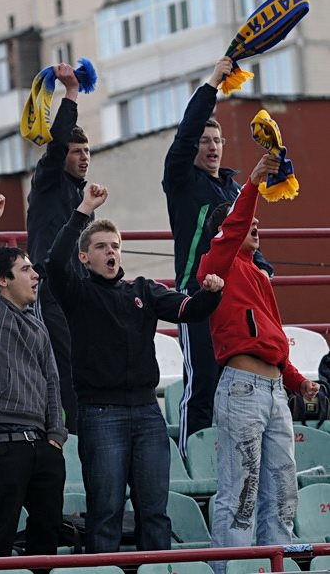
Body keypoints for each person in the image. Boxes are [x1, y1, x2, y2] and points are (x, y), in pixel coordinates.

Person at [46, 182, 224, 554]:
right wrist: (83, 210)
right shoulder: (77, 292)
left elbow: (190, 310)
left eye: (115, 246)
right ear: (84, 258)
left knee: (155, 512)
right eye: (100, 247)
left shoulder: (144, 289)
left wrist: (211, 292)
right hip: (100, 413)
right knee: (105, 512)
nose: (110, 252)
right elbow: (55, 261)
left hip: (147, 412)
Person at [196, 155, 319, 574]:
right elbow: (232, 228)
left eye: (255, 223)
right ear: (224, 232)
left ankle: (272, 568)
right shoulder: (217, 265)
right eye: (246, 222)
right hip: (243, 387)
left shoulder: (259, 276)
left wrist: (297, 381)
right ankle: (230, 571)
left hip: (273, 392)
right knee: (241, 495)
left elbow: (272, 338)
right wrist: (250, 185)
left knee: (283, 494)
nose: (254, 226)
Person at [162, 57, 274, 455]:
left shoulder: (234, 189)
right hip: (197, 296)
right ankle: (192, 461)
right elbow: (186, 133)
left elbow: (249, 238)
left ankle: (235, 460)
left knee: (241, 384)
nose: (212, 147)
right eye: (204, 141)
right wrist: (212, 83)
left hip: (238, 301)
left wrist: (264, 270)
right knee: (203, 384)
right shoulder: (181, 181)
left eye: (217, 140)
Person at [0, 193, 67, 557]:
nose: (36, 275)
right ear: (2, 280)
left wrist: (55, 436)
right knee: (0, 530)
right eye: (25, 270)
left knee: (47, 532)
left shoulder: (38, 325)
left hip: (41, 443)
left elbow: (52, 382)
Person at [26, 62, 91, 433]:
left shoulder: (85, 197)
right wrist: (71, 92)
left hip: (80, 291)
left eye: (87, 151)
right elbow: (56, 144)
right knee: (63, 369)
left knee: (86, 366)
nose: (84, 157)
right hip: (51, 289)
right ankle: (69, 438)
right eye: (76, 151)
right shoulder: (48, 181)